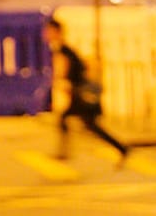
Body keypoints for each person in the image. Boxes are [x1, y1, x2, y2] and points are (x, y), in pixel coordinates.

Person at [43, 17, 128, 165]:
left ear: (56, 31)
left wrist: (60, 82)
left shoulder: (62, 49)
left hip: (80, 94)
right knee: (86, 124)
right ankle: (121, 148)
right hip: (79, 93)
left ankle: (64, 152)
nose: (46, 34)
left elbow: (64, 69)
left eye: (49, 31)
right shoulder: (64, 48)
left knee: (75, 121)